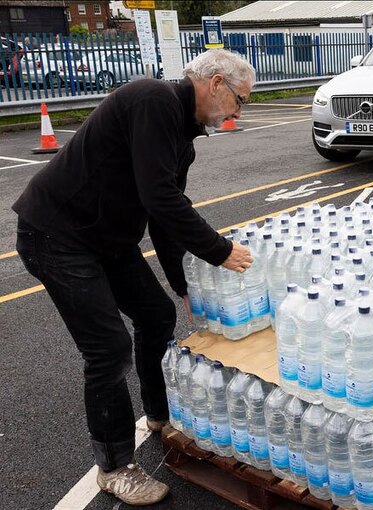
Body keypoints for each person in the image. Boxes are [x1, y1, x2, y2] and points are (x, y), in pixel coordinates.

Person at [13, 49, 255, 506]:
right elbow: (160, 197)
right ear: (216, 83)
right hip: (57, 234)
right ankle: (115, 466)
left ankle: (159, 415)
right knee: (107, 348)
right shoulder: (153, 100)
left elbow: (161, 217)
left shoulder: (182, 136)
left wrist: (183, 286)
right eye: (239, 100)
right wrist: (220, 251)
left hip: (105, 238)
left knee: (156, 313)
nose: (238, 112)